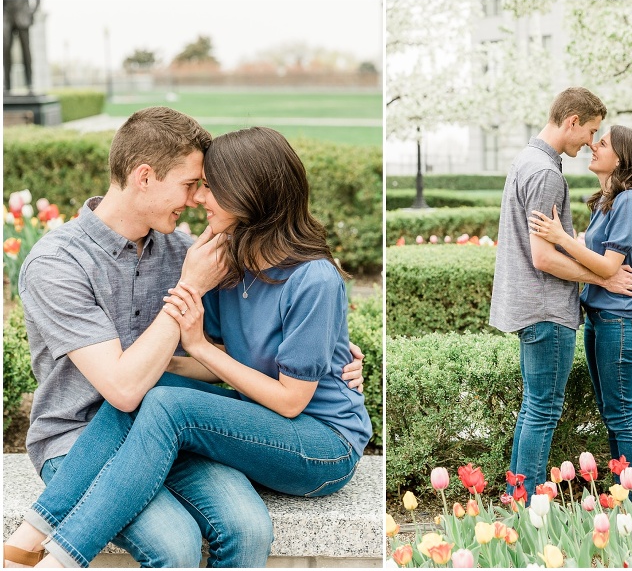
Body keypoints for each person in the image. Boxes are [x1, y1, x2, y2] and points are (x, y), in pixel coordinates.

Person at [3, 107, 365, 568]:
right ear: (145, 176)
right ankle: (50, 548)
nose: (197, 200)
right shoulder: (58, 262)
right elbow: (127, 387)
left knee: (248, 529)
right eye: (192, 184)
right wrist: (192, 303)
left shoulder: (194, 254)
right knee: (174, 544)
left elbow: (233, 355)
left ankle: (36, 541)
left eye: (206, 187)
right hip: (80, 439)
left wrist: (333, 355)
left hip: (185, 428)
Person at [489, 87, 632, 504]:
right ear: (571, 121)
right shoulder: (546, 174)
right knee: (542, 411)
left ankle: (517, 497)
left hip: (532, 307)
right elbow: (543, 257)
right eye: (590, 131)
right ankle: (531, 503)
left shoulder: (528, 160)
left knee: (534, 408)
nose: (591, 142)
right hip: (545, 308)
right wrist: (603, 279)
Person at [528, 125, 632, 488]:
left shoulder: (629, 200)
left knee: (621, 415)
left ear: (622, 157)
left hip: (621, 321)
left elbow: (606, 268)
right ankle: (625, 492)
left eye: (601, 143)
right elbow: (597, 265)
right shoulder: (607, 201)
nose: (593, 145)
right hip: (600, 319)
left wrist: (560, 239)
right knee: (612, 413)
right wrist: (573, 244)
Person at [3, 0, 40, 93]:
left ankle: (30, 83)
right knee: (5, 50)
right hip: (7, 15)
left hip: (23, 14)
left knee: (26, 51)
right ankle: (7, 85)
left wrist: (32, 11)